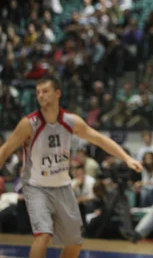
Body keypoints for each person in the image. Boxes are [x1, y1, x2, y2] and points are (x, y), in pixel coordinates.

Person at [0, 75, 142, 258]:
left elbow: (99, 139)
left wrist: (126, 158)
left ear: (57, 93)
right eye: (38, 93)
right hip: (36, 186)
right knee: (43, 235)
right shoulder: (29, 124)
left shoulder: (70, 121)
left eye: (45, 91)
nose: (41, 96)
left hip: (62, 186)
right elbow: (4, 150)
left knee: (75, 242)